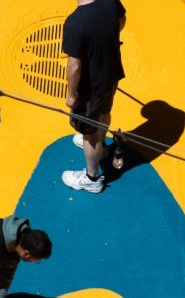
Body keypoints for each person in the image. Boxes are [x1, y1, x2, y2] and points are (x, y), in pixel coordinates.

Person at [61, 0, 127, 194]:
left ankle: (92, 178)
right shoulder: (109, 2)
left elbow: (74, 66)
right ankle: (103, 148)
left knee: (89, 134)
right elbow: (122, 20)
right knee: (104, 112)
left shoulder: (75, 22)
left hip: (90, 89)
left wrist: (72, 95)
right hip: (111, 74)